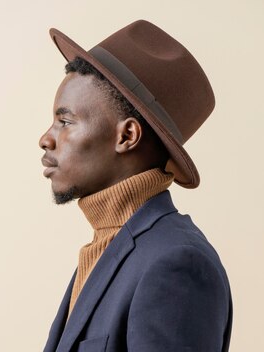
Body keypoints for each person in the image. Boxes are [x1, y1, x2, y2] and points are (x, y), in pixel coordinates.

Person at [39, 20, 232, 352]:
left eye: (65, 121)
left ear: (126, 136)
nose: (45, 139)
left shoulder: (176, 264)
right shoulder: (105, 249)